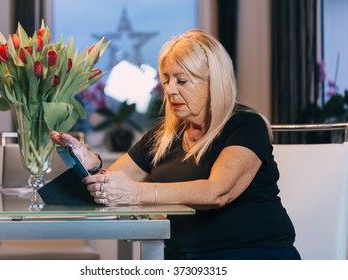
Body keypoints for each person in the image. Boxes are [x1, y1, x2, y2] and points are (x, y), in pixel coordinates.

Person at [50, 29, 301, 260]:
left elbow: (218, 192)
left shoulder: (246, 124)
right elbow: (111, 188)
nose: (170, 91)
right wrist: (92, 168)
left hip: (252, 256)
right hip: (184, 260)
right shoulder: (163, 137)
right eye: (166, 80)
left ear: (213, 82)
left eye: (181, 81)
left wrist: (138, 193)